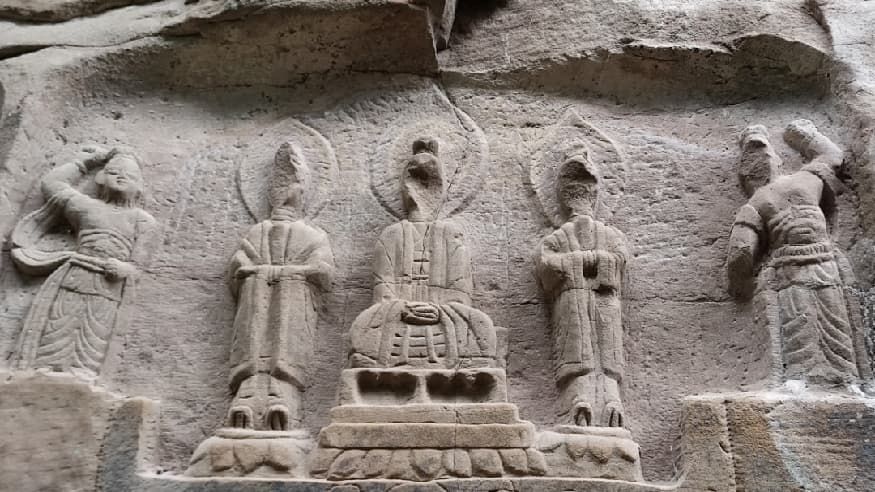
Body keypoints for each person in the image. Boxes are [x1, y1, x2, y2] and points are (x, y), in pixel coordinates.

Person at [728, 120, 869, 384]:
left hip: (801, 265)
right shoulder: (800, 182)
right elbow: (833, 156)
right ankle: (832, 377)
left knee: (809, 324)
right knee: (820, 323)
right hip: (809, 264)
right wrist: (804, 136)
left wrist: (741, 283)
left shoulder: (764, 198)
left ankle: (819, 378)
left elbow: (741, 252)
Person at [349, 138, 497, 369]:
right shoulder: (391, 235)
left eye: (428, 181)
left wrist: (438, 311)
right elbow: (383, 294)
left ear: (441, 187)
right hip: (396, 319)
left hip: (444, 319)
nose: (418, 189)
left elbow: (460, 295)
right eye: (413, 180)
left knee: (481, 325)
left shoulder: (451, 234)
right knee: (363, 326)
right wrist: (403, 309)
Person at [13, 146, 156, 378]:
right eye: (114, 172)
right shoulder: (87, 206)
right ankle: (46, 366)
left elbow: (139, 265)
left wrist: (124, 268)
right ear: (101, 177)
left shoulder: (143, 220)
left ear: (140, 186)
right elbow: (52, 184)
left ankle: (84, 373)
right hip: (77, 271)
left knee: (97, 328)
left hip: (108, 283)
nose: (121, 177)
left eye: (129, 176)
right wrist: (86, 162)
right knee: (60, 320)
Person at [536, 152, 630, 427]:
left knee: (608, 352)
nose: (579, 195)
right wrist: (584, 261)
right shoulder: (557, 237)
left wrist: (594, 261)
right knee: (576, 349)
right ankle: (578, 399)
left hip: (604, 301)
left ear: (596, 194)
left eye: (586, 188)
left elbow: (621, 258)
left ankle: (612, 399)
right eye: (572, 189)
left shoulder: (609, 235)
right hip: (572, 303)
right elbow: (546, 263)